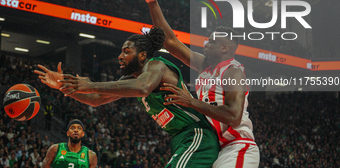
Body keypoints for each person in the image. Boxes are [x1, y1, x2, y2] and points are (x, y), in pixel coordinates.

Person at [34, 27, 220, 168]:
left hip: (197, 134)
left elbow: (144, 88)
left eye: (126, 51)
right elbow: (96, 99)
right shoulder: (133, 78)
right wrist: (63, 86)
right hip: (180, 139)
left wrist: (89, 84)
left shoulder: (156, 67)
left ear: (142, 55)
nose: (120, 56)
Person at [137, 0, 260, 168]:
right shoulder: (205, 65)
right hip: (213, 146)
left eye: (211, 42)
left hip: (236, 145)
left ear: (225, 48)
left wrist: (191, 102)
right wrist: (152, 3)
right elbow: (170, 42)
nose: (205, 44)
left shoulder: (233, 72)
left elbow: (233, 116)